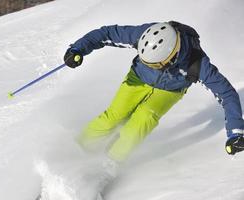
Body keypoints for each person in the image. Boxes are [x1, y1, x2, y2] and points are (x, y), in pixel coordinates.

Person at [63, 21, 244, 199]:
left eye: (155, 65)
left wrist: (235, 132)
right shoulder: (145, 34)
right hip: (137, 78)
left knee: (140, 123)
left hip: (168, 91)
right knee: (113, 116)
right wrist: (78, 49)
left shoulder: (197, 63)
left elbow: (227, 93)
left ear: (171, 58)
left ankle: (109, 165)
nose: (151, 66)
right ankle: (79, 147)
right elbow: (107, 33)